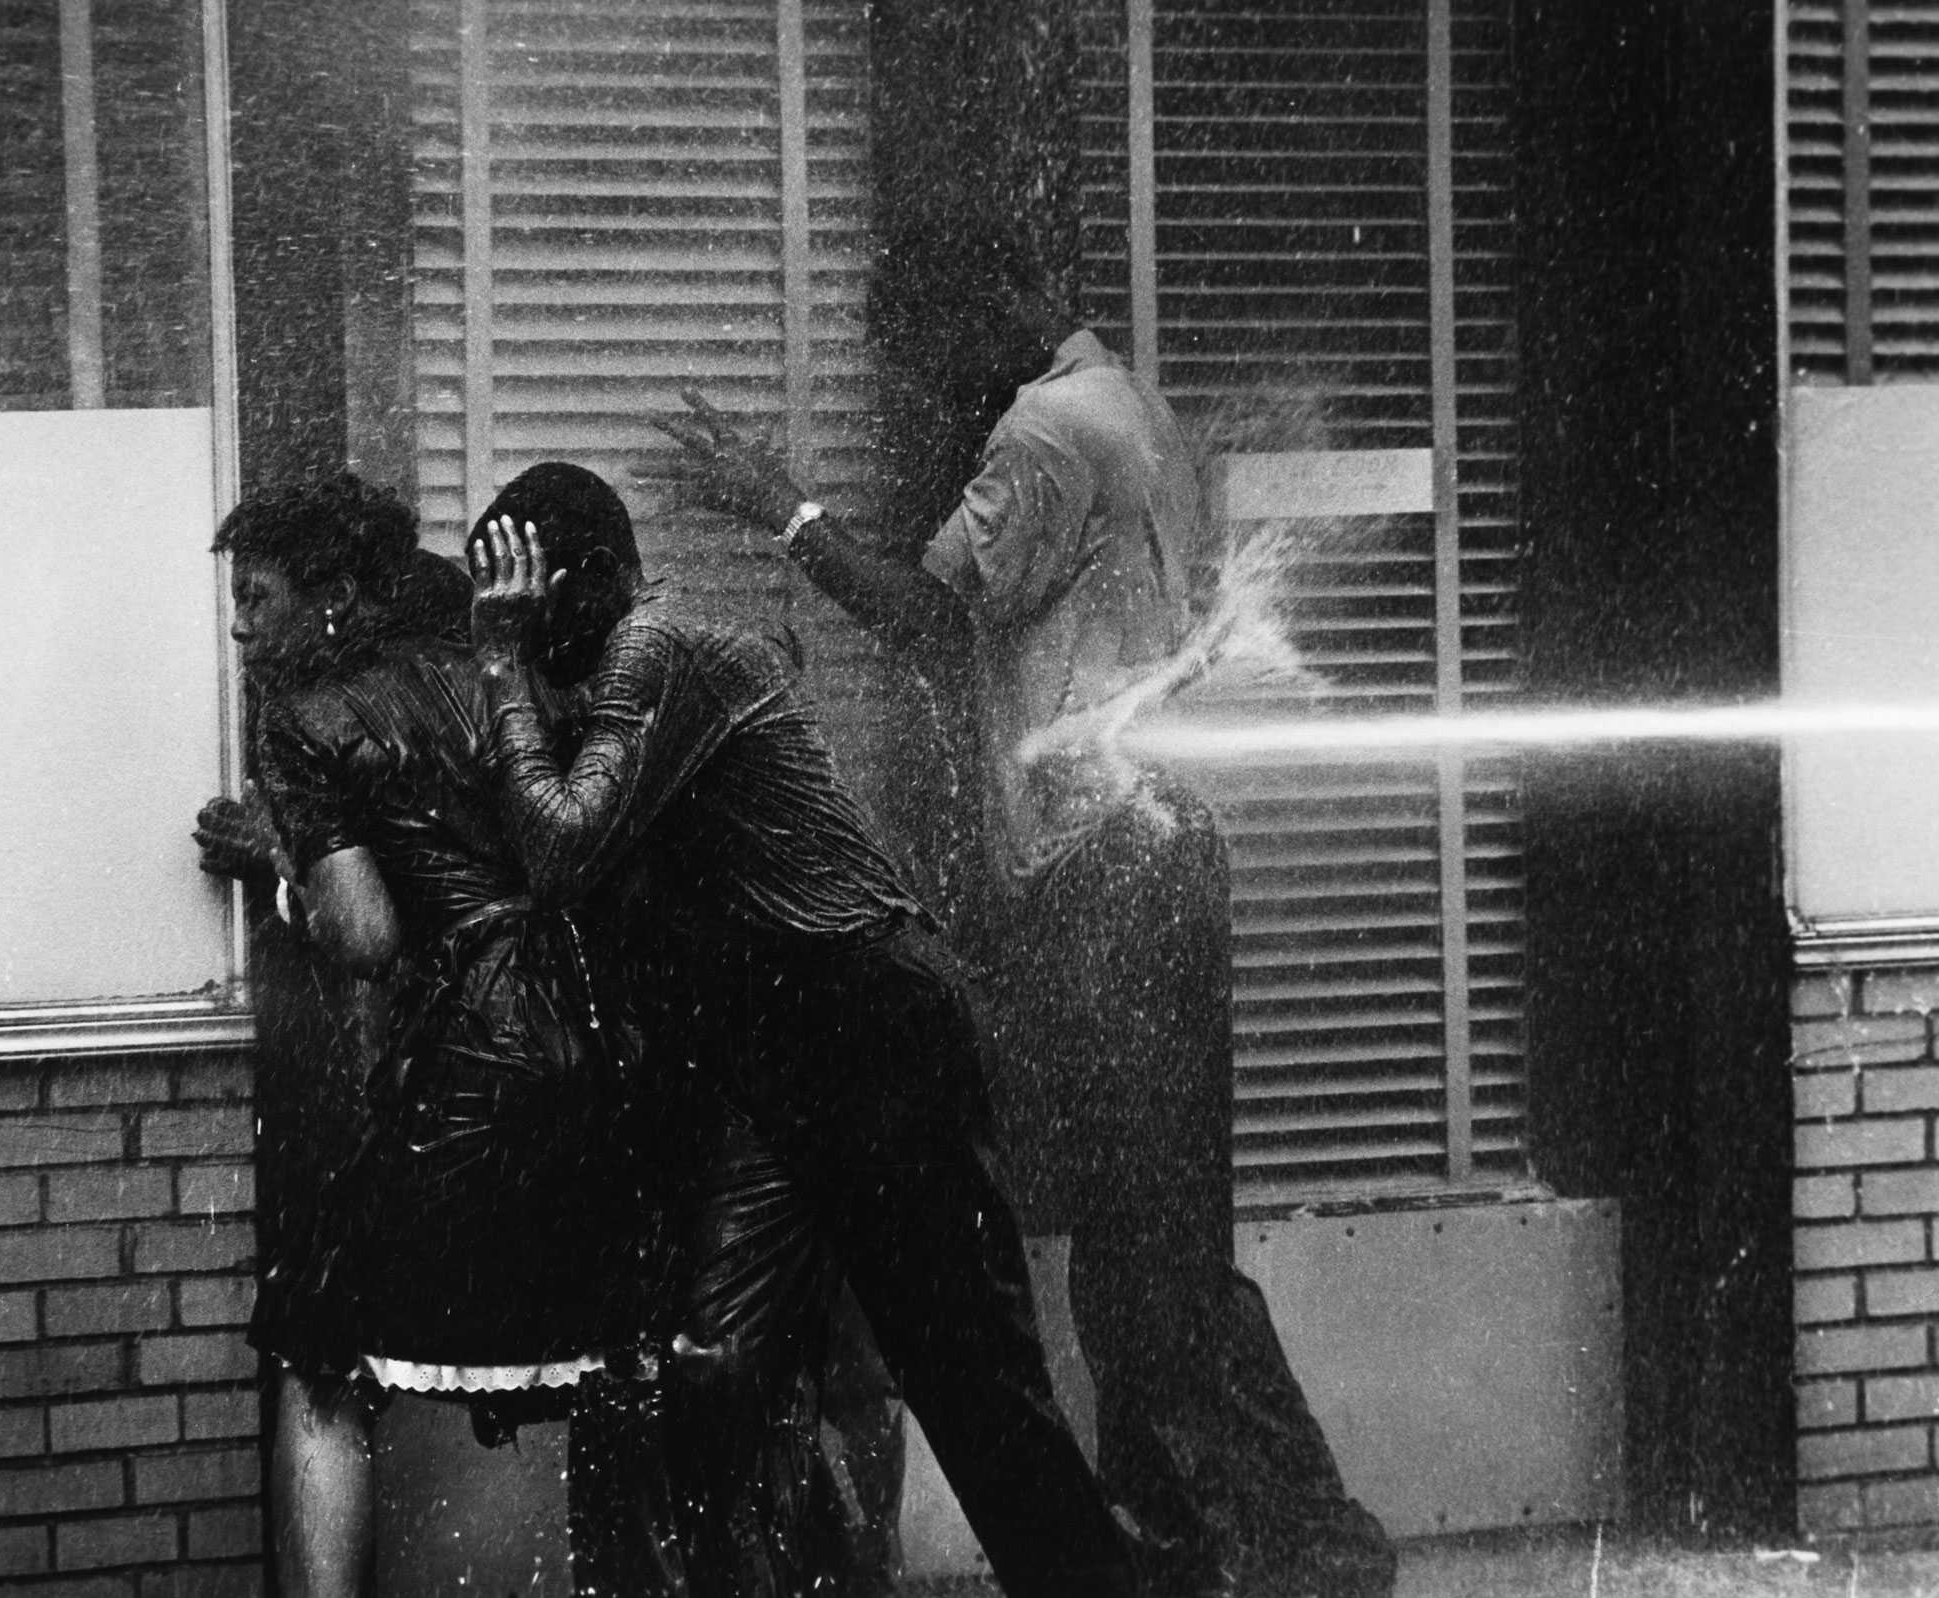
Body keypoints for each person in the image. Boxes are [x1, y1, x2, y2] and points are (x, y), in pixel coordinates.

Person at [648, 243, 1397, 1598]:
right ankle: (1221, 1543)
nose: (920, 386)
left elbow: (926, 619)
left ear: (990, 311)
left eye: (918, 349)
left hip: (1108, 867)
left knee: (1121, 1256)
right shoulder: (1124, 400)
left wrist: (780, 505)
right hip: (1142, 858)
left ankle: (1300, 1547)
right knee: (1141, 1250)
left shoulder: (1042, 431)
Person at [466, 462, 1227, 1598]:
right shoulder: (617, 679)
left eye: (526, 597)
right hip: (790, 1051)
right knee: (714, 1368)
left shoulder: (657, 647)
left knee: (972, 1386)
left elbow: (562, 850)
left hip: (875, 1027)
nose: (518, 628)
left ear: (584, 583)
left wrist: (498, 664)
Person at [207, 475, 693, 1597]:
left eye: (257, 595)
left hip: (474, 1060)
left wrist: (286, 876)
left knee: (318, 1347)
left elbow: (369, 935)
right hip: (605, 1045)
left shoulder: (304, 720)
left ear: (330, 597)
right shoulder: (510, 674)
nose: (239, 624)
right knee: (614, 1354)